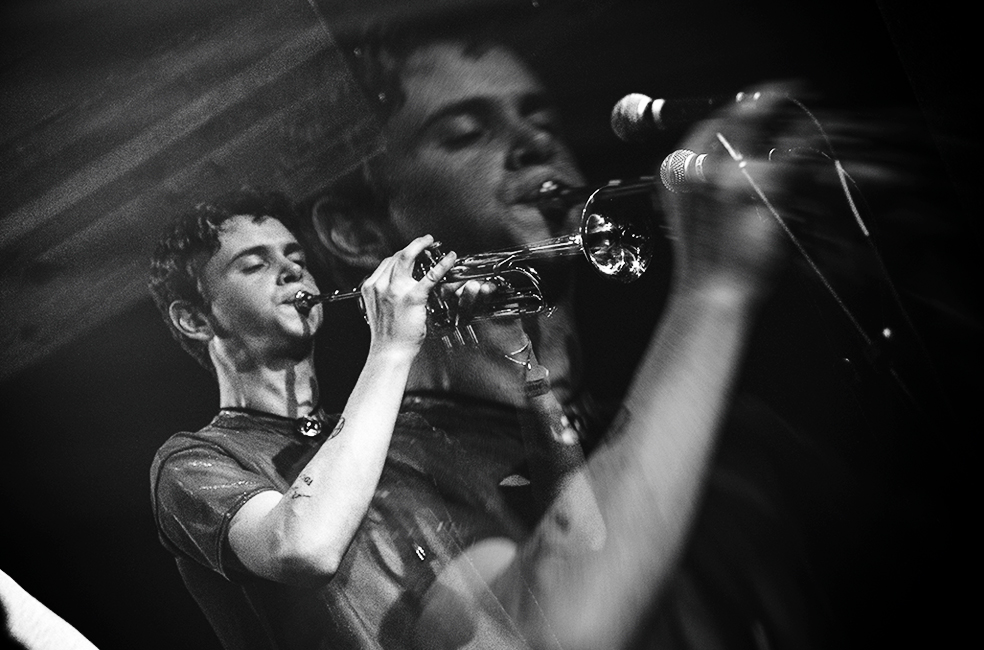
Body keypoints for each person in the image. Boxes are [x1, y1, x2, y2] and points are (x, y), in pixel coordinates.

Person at [291, 16, 830, 650]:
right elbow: (557, 632)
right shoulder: (365, 489)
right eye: (466, 133)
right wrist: (712, 292)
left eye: (541, 120)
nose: (531, 142)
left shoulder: (734, 436)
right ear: (355, 231)